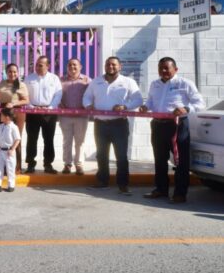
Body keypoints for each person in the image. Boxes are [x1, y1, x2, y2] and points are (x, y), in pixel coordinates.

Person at [140, 57, 205, 204]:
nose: (163, 71)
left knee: (181, 161)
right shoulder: (154, 84)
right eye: (160, 68)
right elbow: (150, 101)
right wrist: (146, 107)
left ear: (175, 69)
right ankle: (161, 189)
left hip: (177, 126)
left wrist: (186, 109)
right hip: (157, 125)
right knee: (160, 159)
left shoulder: (185, 83)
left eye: (166, 68)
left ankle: (180, 193)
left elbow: (200, 103)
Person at [82, 56, 143, 194]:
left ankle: (123, 185)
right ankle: (102, 181)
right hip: (100, 124)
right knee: (101, 154)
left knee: (121, 156)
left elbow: (138, 99)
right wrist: (88, 105)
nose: (110, 67)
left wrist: (125, 106)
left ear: (120, 67)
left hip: (119, 124)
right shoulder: (96, 81)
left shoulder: (128, 82)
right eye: (108, 64)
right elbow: (86, 97)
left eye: (114, 65)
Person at [24, 55, 62, 174]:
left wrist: (50, 108)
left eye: (40, 65)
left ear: (48, 66)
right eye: (36, 65)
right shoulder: (29, 78)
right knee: (31, 139)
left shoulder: (54, 79)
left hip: (49, 113)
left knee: (49, 139)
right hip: (32, 112)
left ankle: (48, 164)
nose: (37, 67)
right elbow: (24, 94)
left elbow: (58, 95)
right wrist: (31, 106)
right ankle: (30, 164)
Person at [0, 63, 29, 172]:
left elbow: (26, 100)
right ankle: (4, 166)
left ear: (18, 73)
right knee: (4, 138)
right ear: (6, 72)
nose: (12, 74)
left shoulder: (21, 85)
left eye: (15, 71)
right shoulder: (1, 84)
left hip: (17, 113)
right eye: (10, 71)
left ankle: (17, 167)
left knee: (16, 139)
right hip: (4, 112)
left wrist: (14, 103)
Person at [59, 58, 91, 175]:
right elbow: (56, 95)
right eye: (70, 65)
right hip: (65, 116)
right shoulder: (61, 80)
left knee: (80, 141)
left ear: (80, 67)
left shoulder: (87, 81)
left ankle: (79, 165)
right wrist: (60, 106)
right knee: (66, 141)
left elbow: (92, 96)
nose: (72, 67)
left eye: (75, 65)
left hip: (81, 117)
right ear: (67, 67)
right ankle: (67, 164)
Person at [0, 107, 21, 192]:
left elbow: (17, 139)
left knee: (10, 168)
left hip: (9, 151)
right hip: (0, 150)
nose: (0, 117)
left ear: (7, 117)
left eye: (1, 115)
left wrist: (12, 149)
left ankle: (11, 185)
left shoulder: (13, 127)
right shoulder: (1, 126)